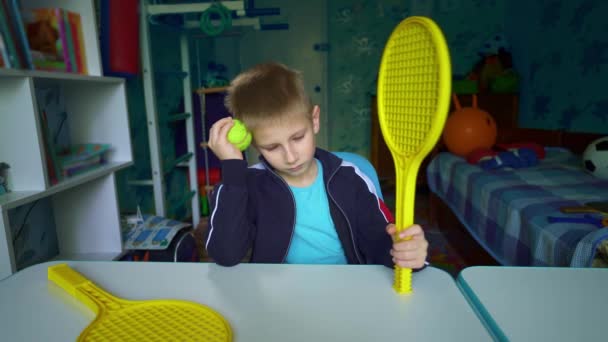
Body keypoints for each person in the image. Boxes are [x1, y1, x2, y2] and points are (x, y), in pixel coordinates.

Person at [204, 62, 428, 270]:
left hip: (345, 288)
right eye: (272, 147)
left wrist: (406, 254)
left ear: (315, 120)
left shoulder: (350, 178)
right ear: (252, 143)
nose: (290, 157)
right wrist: (232, 169)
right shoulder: (248, 184)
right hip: (279, 296)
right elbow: (226, 255)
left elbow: (381, 244)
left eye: (298, 137)